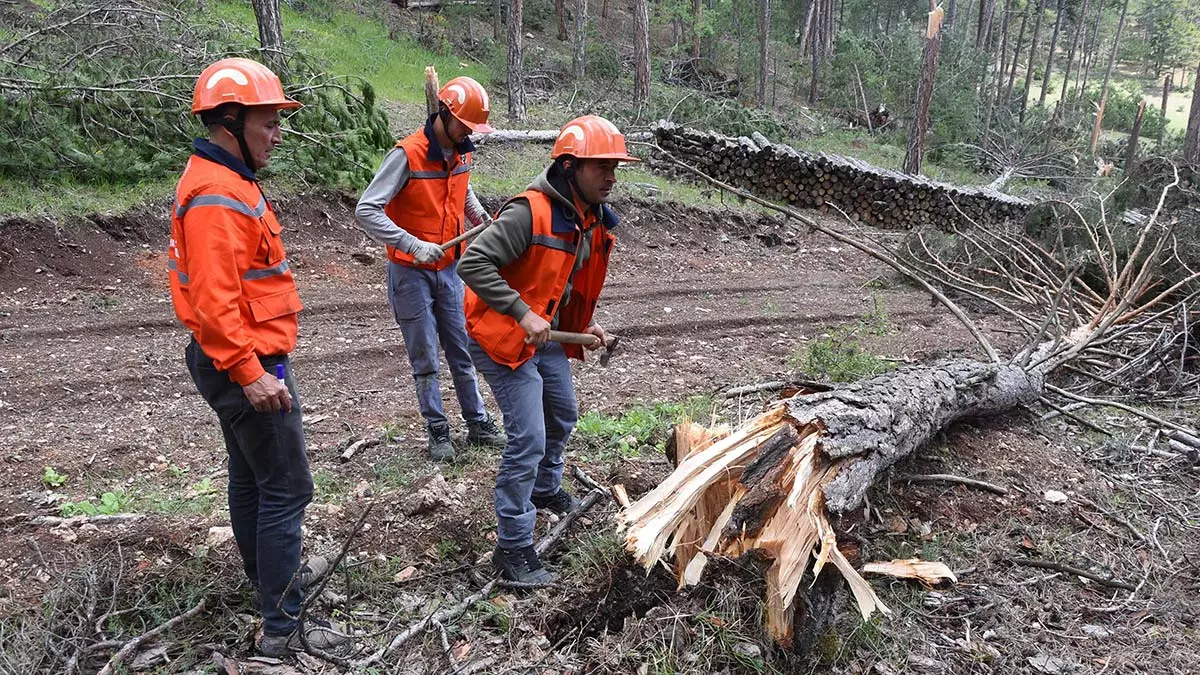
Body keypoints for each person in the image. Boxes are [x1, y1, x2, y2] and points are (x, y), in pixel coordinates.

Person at [167, 57, 348, 657]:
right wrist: (250, 374)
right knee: (288, 488)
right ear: (229, 121)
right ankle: (283, 625)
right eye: (268, 123)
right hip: (244, 360)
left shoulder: (227, 181)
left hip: (238, 356)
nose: (276, 134)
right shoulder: (217, 194)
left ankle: (269, 582)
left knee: (253, 480)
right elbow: (215, 303)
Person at [458, 115, 638, 584]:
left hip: (544, 335)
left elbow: (559, 285)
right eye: (601, 167)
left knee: (561, 414)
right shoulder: (529, 211)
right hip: (499, 334)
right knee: (529, 437)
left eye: (615, 166)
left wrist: (583, 325)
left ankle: (544, 488)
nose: (611, 177)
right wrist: (520, 313)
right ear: (571, 166)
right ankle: (512, 547)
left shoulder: (591, 219)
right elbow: (471, 263)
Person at [355, 75, 505, 462]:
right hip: (410, 274)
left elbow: (462, 191)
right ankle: (437, 429)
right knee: (425, 354)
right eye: (466, 126)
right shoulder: (406, 154)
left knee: (461, 348)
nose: (470, 134)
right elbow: (366, 209)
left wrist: (481, 219)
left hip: (451, 269)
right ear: (445, 113)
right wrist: (410, 244)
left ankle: (477, 423)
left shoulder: (462, 151)